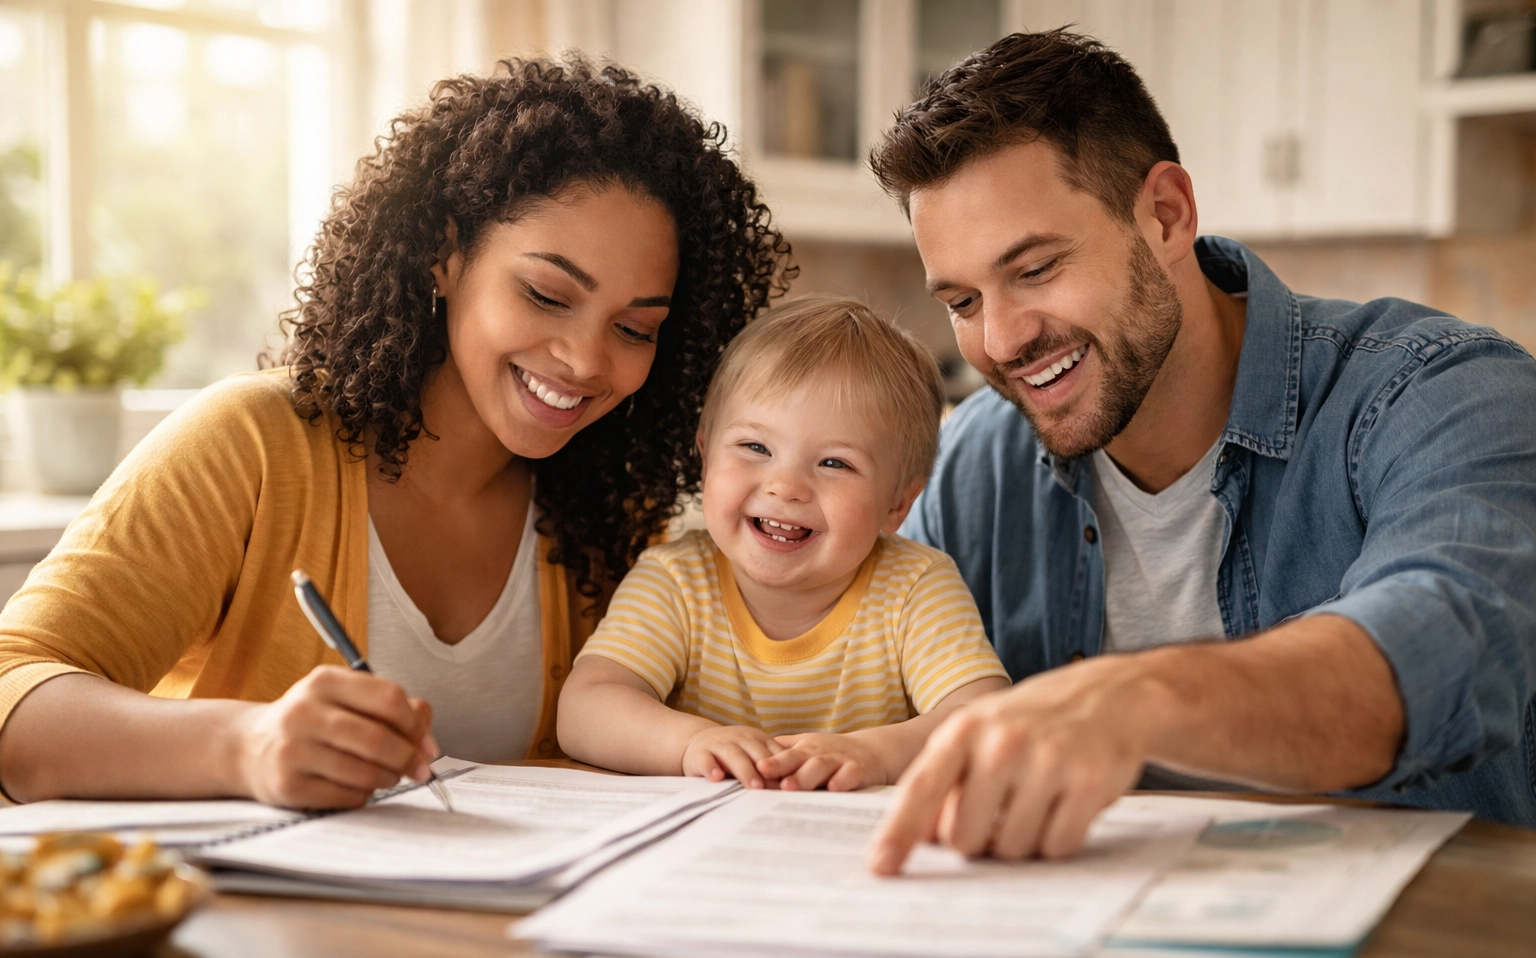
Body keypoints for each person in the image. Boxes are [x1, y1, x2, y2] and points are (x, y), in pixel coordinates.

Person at [0, 58, 791, 808]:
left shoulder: (611, 518)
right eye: (548, 295)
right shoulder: (253, 447)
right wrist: (246, 744)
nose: (587, 360)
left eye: (634, 327)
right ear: (443, 255)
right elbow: (12, 689)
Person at [862, 30, 1536, 873]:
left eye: (1035, 270)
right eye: (962, 300)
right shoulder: (976, 463)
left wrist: (1134, 700)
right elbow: (857, 678)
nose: (999, 341)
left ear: (1167, 215)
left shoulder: (1438, 393)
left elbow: (1449, 646)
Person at [557, 297, 1009, 790]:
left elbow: (984, 719)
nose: (785, 486)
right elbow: (584, 709)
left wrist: (875, 753)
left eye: (835, 463)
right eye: (756, 447)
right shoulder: (675, 580)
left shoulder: (915, 586)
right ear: (706, 455)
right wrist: (688, 743)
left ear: (898, 504)